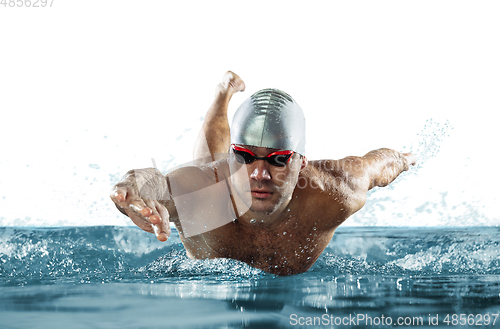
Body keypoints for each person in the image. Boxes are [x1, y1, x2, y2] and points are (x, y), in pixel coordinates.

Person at [110, 71, 416, 276]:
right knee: (207, 164)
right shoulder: (201, 192)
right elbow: (155, 183)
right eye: (244, 156)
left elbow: (376, 165)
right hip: (215, 186)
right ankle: (223, 94)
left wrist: (403, 159)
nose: (259, 174)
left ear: (302, 161)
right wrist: (131, 189)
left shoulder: (336, 191)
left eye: (278, 160)